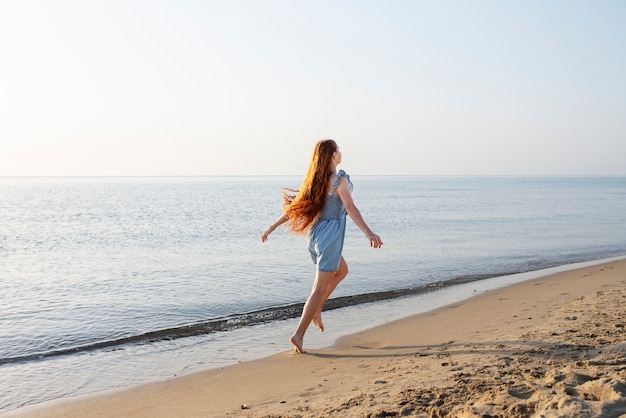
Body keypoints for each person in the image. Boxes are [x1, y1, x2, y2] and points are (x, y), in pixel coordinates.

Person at [261, 139, 383, 354]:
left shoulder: (315, 182)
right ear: (333, 155)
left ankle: (317, 309)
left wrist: (271, 227)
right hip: (329, 240)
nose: (340, 152)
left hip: (317, 236)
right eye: (338, 149)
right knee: (317, 290)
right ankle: (298, 334)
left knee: (342, 270)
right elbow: (350, 207)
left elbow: (292, 209)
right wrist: (369, 232)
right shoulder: (338, 180)